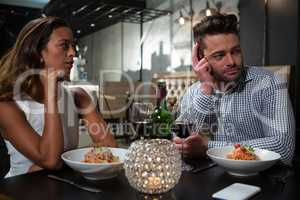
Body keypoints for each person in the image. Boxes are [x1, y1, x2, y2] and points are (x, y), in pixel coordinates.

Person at [0, 16, 117, 176]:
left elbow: (109, 147)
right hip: (20, 191)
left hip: (62, 187)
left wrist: (69, 160)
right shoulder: (7, 106)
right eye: (64, 46)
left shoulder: (78, 95)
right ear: (37, 53)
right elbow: (51, 160)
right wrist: (51, 95)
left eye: (73, 46)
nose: (73, 53)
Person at [174, 13, 295, 165]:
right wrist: (206, 89)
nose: (231, 61)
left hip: (261, 181)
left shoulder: (270, 83)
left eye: (236, 51)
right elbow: (181, 142)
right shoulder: (193, 92)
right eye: (219, 55)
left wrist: (207, 147)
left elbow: (283, 148)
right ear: (200, 58)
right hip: (207, 181)